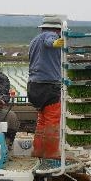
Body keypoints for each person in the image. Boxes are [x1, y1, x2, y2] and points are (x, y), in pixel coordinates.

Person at [27, 16, 64, 159]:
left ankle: (38, 151)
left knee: (42, 120)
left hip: (34, 85)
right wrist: (56, 42)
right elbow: (50, 41)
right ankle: (51, 153)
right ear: (58, 29)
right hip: (48, 85)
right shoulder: (51, 35)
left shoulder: (34, 40)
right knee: (52, 120)